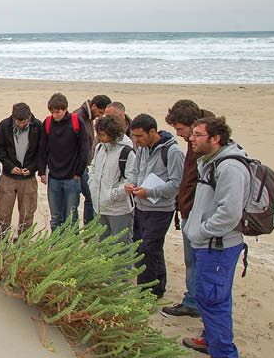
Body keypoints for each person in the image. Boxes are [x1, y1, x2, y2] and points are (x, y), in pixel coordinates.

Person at [182, 117, 248, 358]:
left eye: (197, 135)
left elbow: (229, 214)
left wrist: (200, 230)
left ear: (215, 138)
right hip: (208, 244)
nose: (191, 139)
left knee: (214, 299)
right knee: (207, 294)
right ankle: (209, 339)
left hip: (218, 246)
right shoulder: (212, 161)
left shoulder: (229, 167)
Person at [161, 100, 215, 318]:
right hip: (190, 209)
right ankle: (194, 300)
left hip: (197, 212)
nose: (181, 135)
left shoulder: (206, 144)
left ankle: (194, 303)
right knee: (193, 261)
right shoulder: (200, 139)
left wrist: (188, 205)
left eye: (180, 129)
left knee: (196, 261)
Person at [124, 114, 185, 299]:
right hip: (141, 206)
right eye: (134, 136)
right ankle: (157, 287)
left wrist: (149, 192)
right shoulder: (142, 149)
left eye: (139, 136)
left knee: (148, 249)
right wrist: (131, 185)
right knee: (147, 247)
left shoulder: (173, 152)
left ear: (152, 132)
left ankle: (146, 292)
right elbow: (136, 172)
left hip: (161, 209)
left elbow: (176, 184)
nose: (136, 140)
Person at [38, 93, 89, 231]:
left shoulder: (76, 121)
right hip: (54, 177)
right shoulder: (48, 123)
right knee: (56, 217)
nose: (55, 115)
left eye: (58, 112)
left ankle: (71, 248)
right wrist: (42, 171)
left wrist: (79, 172)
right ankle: (55, 247)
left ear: (65, 109)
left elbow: (84, 148)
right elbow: (42, 149)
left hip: (72, 177)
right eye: (52, 112)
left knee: (71, 217)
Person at [0, 102, 42, 238]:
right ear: (13, 117)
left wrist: (32, 168)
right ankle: (0, 244)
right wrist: (9, 166)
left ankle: (23, 246)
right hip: (8, 177)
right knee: (3, 215)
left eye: (25, 122)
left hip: (28, 178)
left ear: (29, 117)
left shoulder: (37, 126)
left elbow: (41, 150)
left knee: (27, 216)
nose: (21, 125)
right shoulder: (5, 125)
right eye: (18, 122)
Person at [88, 115, 135, 245]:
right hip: (99, 207)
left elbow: (131, 179)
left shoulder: (126, 152)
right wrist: (93, 187)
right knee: (103, 246)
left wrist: (112, 195)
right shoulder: (99, 148)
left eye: (103, 135)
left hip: (118, 209)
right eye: (99, 134)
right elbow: (94, 169)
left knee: (121, 248)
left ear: (112, 133)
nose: (100, 138)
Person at [75, 95, 112, 225]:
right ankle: (87, 230)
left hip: (84, 165)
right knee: (85, 198)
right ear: (94, 106)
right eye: (100, 113)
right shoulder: (80, 117)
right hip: (78, 166)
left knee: (89, 197)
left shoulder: (89, 117)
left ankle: (88, 229)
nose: (100, 116)